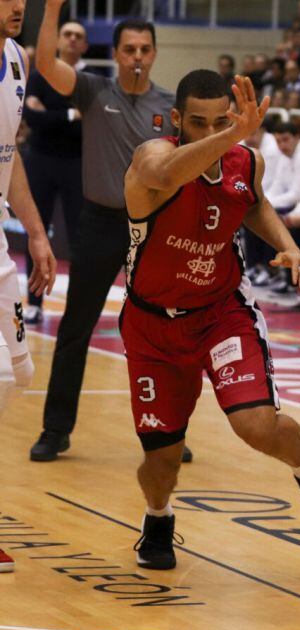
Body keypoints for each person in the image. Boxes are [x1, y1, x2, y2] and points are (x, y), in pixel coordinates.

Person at [121, 71, 300, 570]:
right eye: (197, 123)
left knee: (256, 426)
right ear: (177, 120)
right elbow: (166, 176)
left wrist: (290, 248)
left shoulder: (246, 161)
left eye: (220, 122)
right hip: (152, 326)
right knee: (161, 457)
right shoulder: (151, 158)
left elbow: (255, 204)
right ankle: (158, 518)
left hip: (221, 312)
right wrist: (231, 133)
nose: (210, 133)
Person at [32, 7, 180, 463]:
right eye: (129, 49)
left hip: (152, 228)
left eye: (145, 49)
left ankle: (169, 433)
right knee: (76, 328)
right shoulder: (94, 91)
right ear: (115, 53)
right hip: (99, 222)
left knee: (165, 332)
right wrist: (53, 9)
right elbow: (44, 65)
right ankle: (55, 430)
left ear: (154, 53)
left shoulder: (169, 106)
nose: (137, 56)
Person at [0, 0, 60, 574]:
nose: (19, 5)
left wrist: (37, 234)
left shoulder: (16, 60)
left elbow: (7, 153)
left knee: (17, 374)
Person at [22, 20, 87, 325]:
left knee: (79, 236)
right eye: (68, 34)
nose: (73, 40)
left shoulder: (91, 80)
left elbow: (92, 122)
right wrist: (72, 114)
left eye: (79, 36)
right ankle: (33, 302)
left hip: (77, 163)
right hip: (41, 161)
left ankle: (77, 305)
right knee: (37, 230)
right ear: (58, 40)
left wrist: (51, 115)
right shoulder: (38, 76)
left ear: (85, 45)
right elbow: (32, 118)